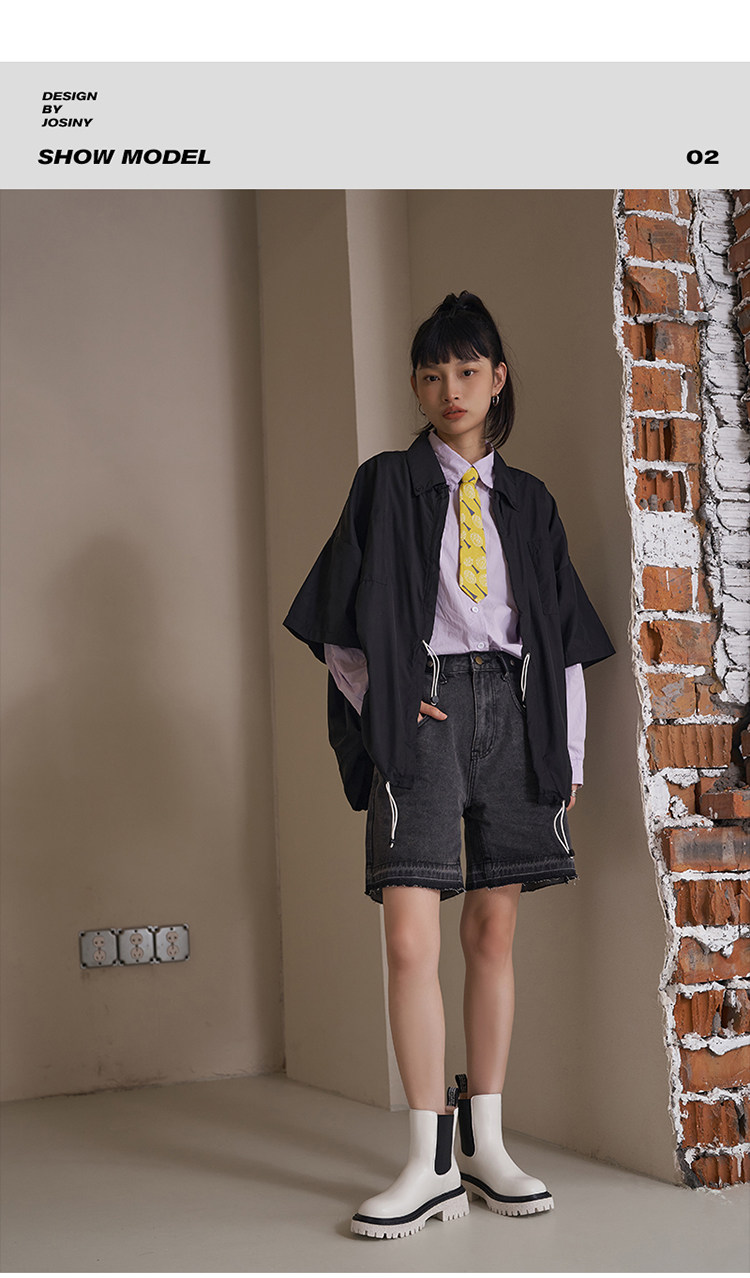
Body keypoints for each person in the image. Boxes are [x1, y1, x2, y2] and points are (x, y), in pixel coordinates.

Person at [284, 291, 615, 1240]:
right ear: (417, 386)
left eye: (467, 370)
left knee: (493, 934)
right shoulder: (384, 484)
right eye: (431, 374)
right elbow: (339, 626)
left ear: (497, 378)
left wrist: (567, 751)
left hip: (517, 711)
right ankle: (428, 1162)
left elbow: (560, 642)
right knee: (408, 938)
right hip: (424, 711)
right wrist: (387, 704)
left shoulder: (532, 501)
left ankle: (487, 1145)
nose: (449, 389)